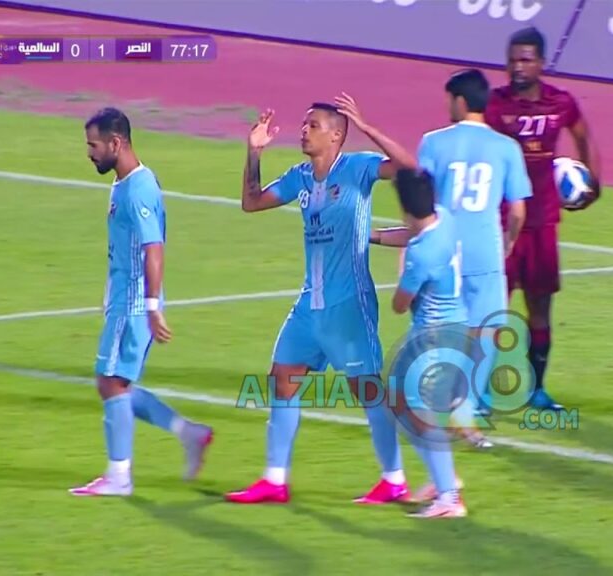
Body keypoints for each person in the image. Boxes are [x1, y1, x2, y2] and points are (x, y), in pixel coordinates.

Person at [224, 96, 419, 504]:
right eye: (303, 124)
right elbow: (251, 202)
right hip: (308, 305)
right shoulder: (299, 177)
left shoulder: (358, 168)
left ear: (336, 135)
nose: (303, 131)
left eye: (312, 125)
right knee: (282, 378)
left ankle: (394, 479)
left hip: (349, 304)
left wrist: (368, 127)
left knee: (367, 389)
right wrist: (254, 152)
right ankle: (275, 480)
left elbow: (408, 168)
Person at [70, 107, 214, 497]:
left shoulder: (138, 190)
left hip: (133, 304)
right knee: (116, 384)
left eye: (94, 145)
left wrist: (151, 307)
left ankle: (119, 477)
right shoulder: (125, 184)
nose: (90, 153)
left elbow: (154, 249)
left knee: (110, 382)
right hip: (124, 301)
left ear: (116, 143)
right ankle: (189, 433)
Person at [484, 27, 603, 412]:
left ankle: (537, 390)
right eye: (512, 60)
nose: (517, 67)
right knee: (493, 306)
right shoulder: (495, 105)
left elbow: (584, 139)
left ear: (541, 63)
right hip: (503, 223)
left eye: (525, 60)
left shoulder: (560, 103)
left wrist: (594, 184)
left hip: (543, 223)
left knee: (540, 307)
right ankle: (481, 390)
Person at [414, 68, 533, 451]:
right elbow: (518, 212)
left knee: (438, 330)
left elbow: (420, 201)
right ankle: (465, 416)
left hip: (444, 251)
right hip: (485, 250)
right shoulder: (507, 147)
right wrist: (508, 242)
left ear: (460, 101)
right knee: (486, 332)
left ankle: (427, 407)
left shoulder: (432, 142)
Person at [374, 168, 469, 518]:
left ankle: (449, 498)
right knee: (400, 404)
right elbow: (411, 233)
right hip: (455, 327)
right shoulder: (444, 218)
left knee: (415, 413)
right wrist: (371, 236)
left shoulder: (422, 254)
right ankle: (444, 480)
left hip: (432, 339)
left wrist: (402, 270)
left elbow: (400, 304)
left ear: (406, 210)